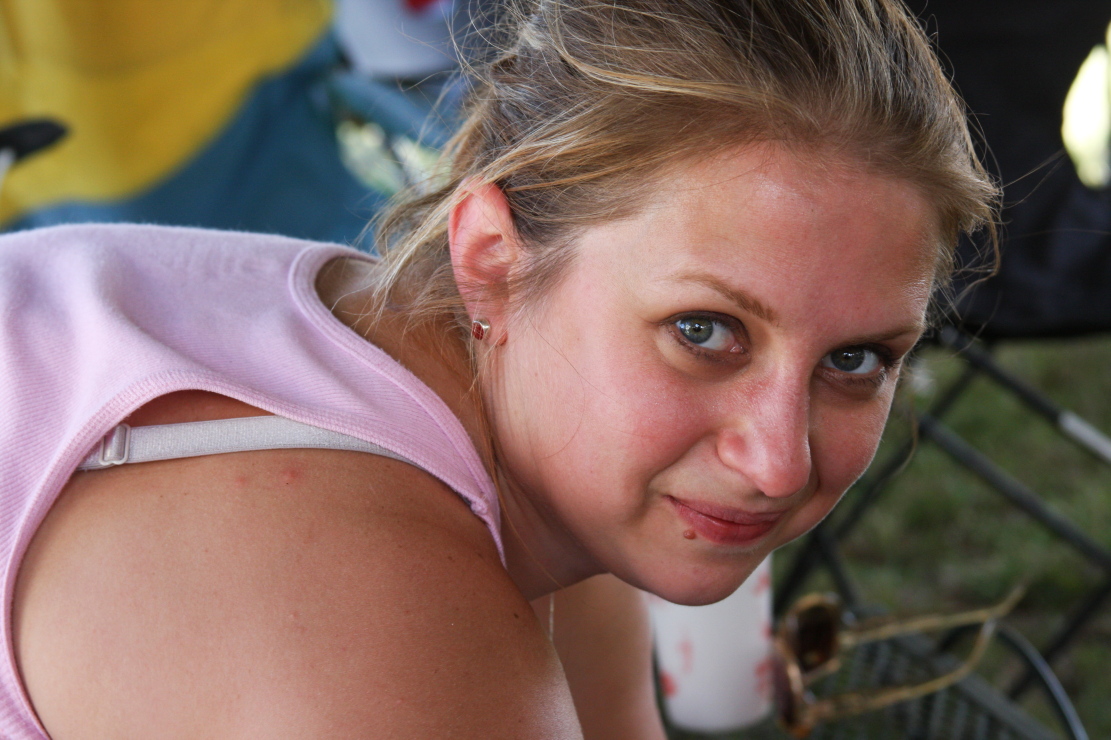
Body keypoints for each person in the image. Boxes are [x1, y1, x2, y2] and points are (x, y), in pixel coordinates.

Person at [1, 0, 997, 737]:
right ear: (489, 260)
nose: (777, 461)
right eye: (703, 330)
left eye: (857, 359)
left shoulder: (547, 469)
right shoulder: (371, 637)